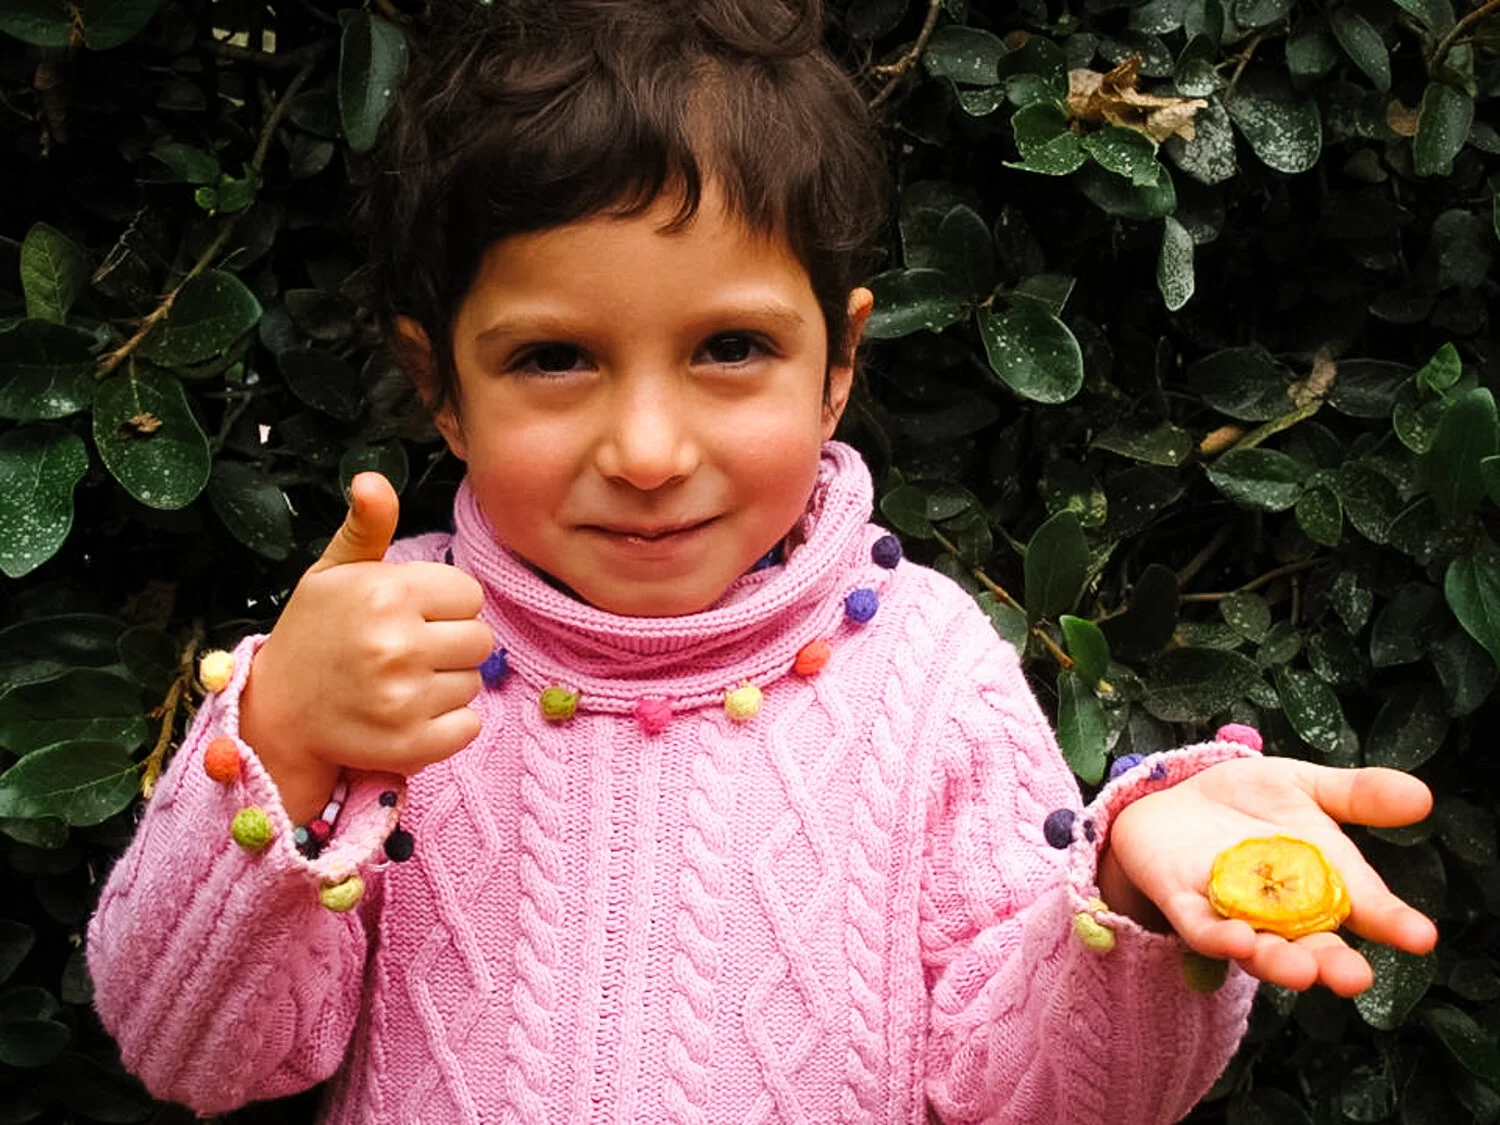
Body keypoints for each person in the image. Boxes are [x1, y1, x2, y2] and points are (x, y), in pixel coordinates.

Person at [86, 2, 1438, 1122]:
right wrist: (281, 744)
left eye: (729, 349)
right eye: (554, 358)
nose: (653, 448)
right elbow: (190, 1055)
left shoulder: (924, 673)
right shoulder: (390, 665)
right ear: (441, 388)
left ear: (840, 359)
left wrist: (1133, 905)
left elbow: (1060, 1095)